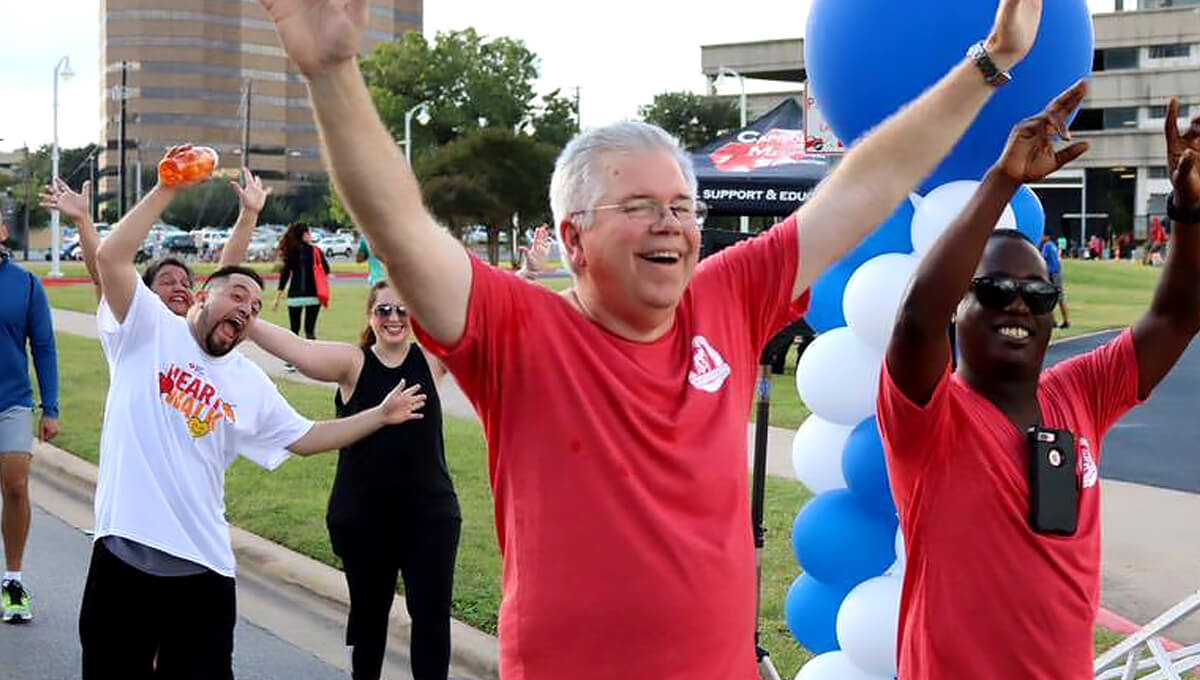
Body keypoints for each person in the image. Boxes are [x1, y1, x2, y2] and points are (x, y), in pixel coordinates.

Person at [259, 0, 1046, 675]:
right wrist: (332, 74)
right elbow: (400, 229)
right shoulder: (519, 330)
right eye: (639, 205)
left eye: (681, 205)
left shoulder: (731, 295)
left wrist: (991, 62)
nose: (671, 221)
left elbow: (865, 183)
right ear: (573, 240)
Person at [880, 88, 1200, 680]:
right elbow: (916, 320)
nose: (1020, 306)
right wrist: (1003, 179)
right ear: (960, 305)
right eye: (996, 290)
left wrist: (1188, 211)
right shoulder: (929, 417)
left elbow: (1177, 316)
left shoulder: (1079, 394)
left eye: (1038, 294)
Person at [80, 154, 429, 679]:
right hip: (123, 559)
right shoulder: (147, 330)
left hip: (204, 572)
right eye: (238, 296)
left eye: (256, 306)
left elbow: (307, 437)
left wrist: (379, 415)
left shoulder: (247, 381)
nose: (246, 308)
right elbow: (111, 261)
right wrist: (166, 189)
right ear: (201, 295)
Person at [249, 281, 459, 680]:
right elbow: (299, 350)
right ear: (370, 316)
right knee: (367, 615)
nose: (394, 319)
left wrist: (528, 275)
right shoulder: (353, 363)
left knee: (431, 614)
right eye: (384, 311)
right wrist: (247, 321)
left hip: (430, 514)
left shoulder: (431, 361)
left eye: (402, 310)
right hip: (364, 517)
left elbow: (483, 326)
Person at [40, 166, 271, 315]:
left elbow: (225, 273)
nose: (179, 287)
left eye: (185, 283)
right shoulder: (132, 324)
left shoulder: (198, 331)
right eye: (168, 281)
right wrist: (82, 220)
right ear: (147, 292)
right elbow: (103, 276)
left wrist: (250, 212)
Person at [0, 214, 59, 624]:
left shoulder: (25, 284)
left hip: (12, 402)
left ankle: (14, 580)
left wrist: (50, 407)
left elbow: (44, 347)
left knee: (16, 487)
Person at [274, 221, 330, 340]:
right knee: (310, 331)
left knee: (294, 331)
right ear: (305, 234)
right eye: (309, 232)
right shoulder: (316, 251)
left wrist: (278, 297)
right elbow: (326, 269)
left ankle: (294, 356)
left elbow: (285, 275)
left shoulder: (291, 251)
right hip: (314, 296)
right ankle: (311, 357)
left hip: (295, 296)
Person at [1040, 232, 1070, 328]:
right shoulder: (1053, 245)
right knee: (1060, 297)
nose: (1041, 237)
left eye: (1043, 235)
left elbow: (1042, 258)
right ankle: (1065, 320)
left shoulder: (1047, 246)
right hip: (1057, 272)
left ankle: (1054, 321)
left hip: (1052, 273)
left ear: (1047, 236)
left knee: (1049, 297)